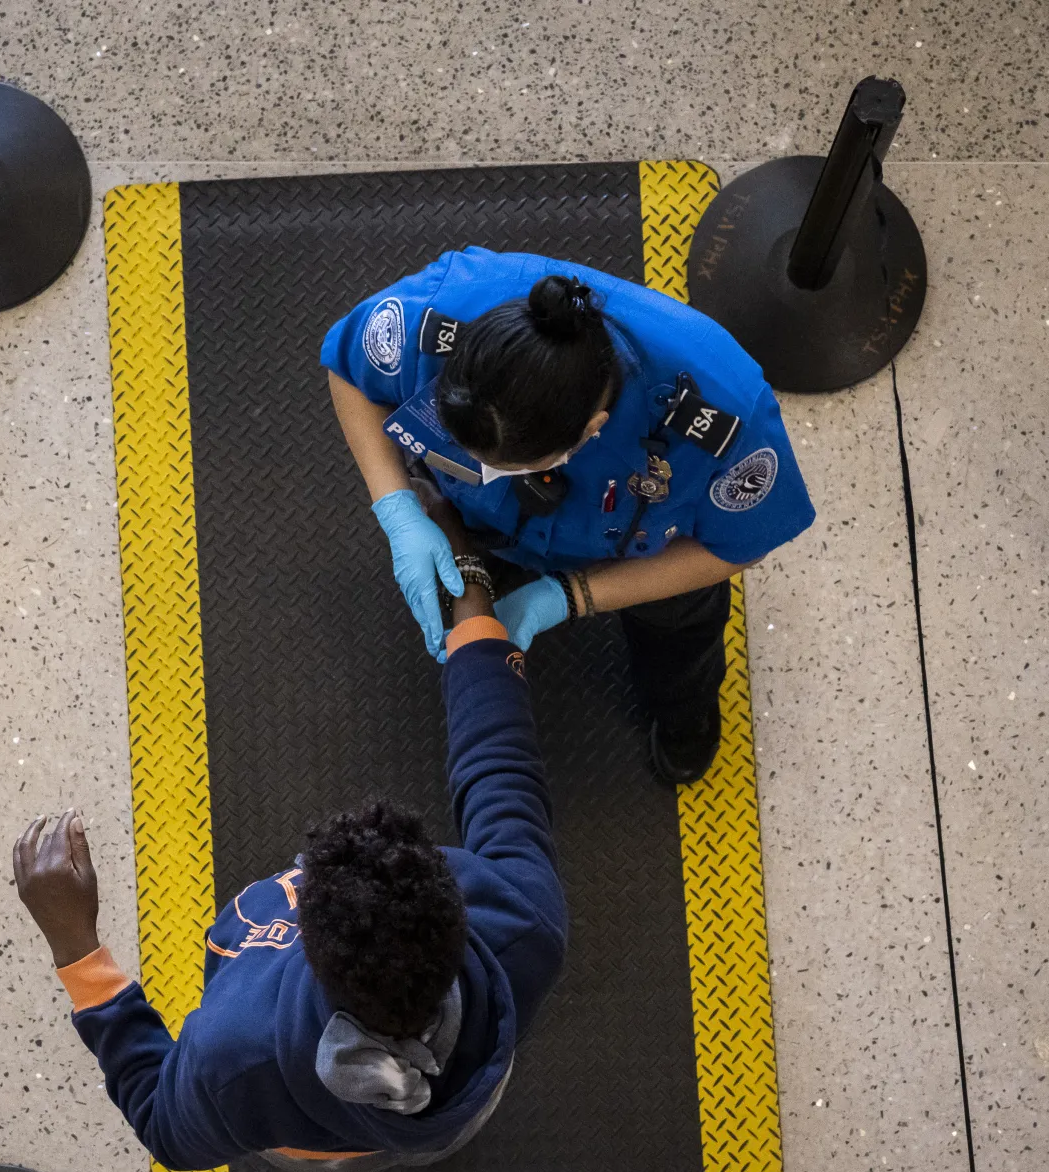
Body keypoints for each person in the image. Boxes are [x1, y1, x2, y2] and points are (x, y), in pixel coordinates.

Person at [12, 495, 566, 1172]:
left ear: (304, 940)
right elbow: (500, 773)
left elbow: (161, 1121)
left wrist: (75, 944)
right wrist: (472, 594)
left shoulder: (236, 1057)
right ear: (455, 912)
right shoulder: (522, 920)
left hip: (315, 1137)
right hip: (445, 1116)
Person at [324, 248, 815, 784]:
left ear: (590, 429)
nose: (484, 471)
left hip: (647, 552)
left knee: (678, 644)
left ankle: (681, 715)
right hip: (490, 526)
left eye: (507, 465)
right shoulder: (436, 313)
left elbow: (739, 546)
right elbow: (349, 371)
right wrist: (397, 507)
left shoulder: (727, 420)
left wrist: (571, 596)